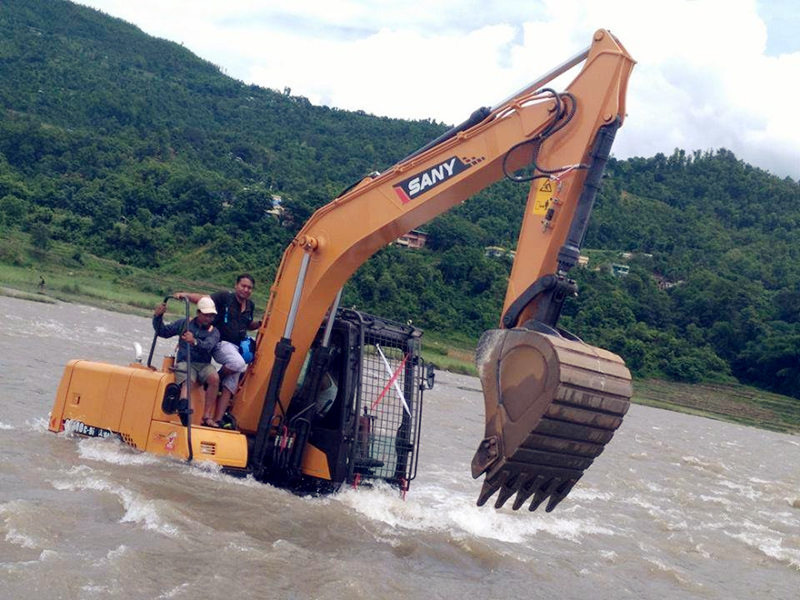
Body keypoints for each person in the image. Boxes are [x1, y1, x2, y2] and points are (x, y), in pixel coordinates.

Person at [174, 274, 262, 423]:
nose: (246, 290)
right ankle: (215, 379)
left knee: (232, 382)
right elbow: (204, 300)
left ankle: (217, 419)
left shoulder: (250, 306)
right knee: (239, 364)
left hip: (236, 348)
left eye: (249, 288)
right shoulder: (224, 298)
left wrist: (260, 323)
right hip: (220, 343)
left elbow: (247, 324)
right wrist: (185, 295)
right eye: (243, 286)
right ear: (236, 286)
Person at [153, 296, 222, 427]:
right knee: (188, 378)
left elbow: (209, 345)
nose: (209, 318)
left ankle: (206, 416)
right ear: (198, 313)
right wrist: (157, 317)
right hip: (185, 361)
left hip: (204, 365)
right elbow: (163, 332)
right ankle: (183, 405)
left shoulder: (214, 332)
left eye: (211, 316)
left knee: (214, 378)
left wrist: (194, 341)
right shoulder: (184, 324)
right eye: (206, 315)